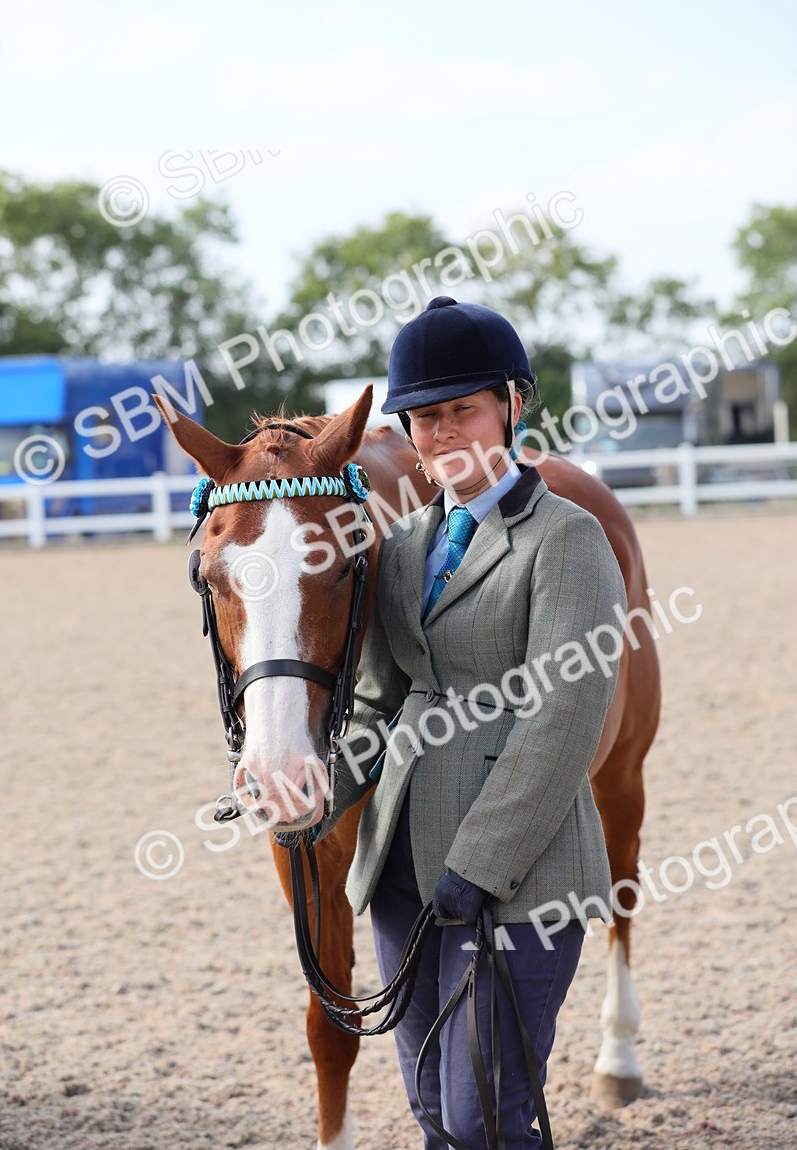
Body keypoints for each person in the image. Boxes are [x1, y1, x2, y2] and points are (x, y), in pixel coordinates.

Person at [316, 295, 626, 1149]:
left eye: (463, 411)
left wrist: (482, 863)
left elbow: (563, 716)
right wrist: (317, 790)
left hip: (516, 879)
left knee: (482, 1116)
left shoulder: (566, 539)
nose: (443, 433)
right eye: (424, 417)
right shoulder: (402, 543)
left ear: (511, 406)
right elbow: (378, 700)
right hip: (400, 874)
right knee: (428, 1108)